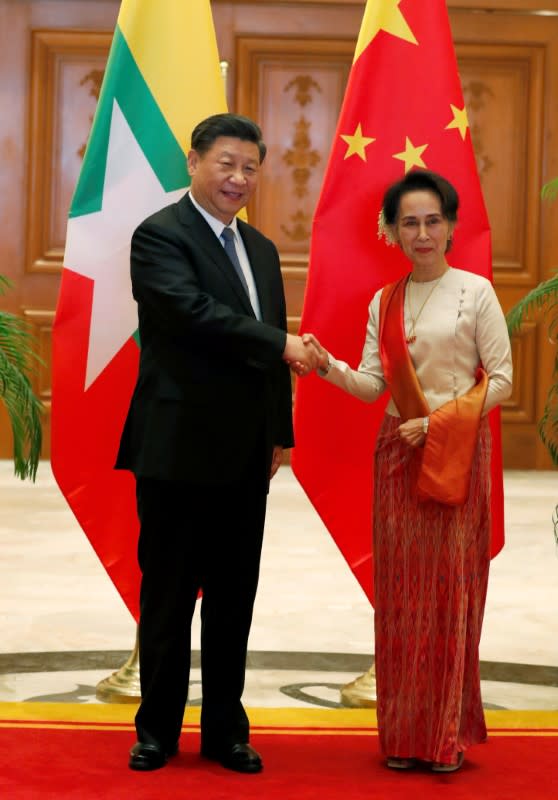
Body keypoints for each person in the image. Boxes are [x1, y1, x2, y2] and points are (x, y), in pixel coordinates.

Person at [116, 113, 318, 774]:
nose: (238, 178)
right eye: (226, 163)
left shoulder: (259, 248)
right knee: (169, 595)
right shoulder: (158, 236)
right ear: (194, 163)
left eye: (250, 167)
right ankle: (157, 731)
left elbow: (269, 344)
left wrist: (279, 436)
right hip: (176, 447)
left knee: (235, 596)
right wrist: (282, 345)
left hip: (243, 452)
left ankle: (226, 730)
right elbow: (193, 315)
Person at [302, 170, 512, 772]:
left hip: (456, 450)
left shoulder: (475, 293)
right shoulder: (384, 300)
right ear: (391, 231)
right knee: (401, 597)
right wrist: (325, 365)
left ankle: (443, 735)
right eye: (409, 223)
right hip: (397, 452)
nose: (421, 233)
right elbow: (372, 384)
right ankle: (403, 734)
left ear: (450, 226)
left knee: (449, 595)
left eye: (432, 221)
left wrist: (440, 423)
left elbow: (502, 379)